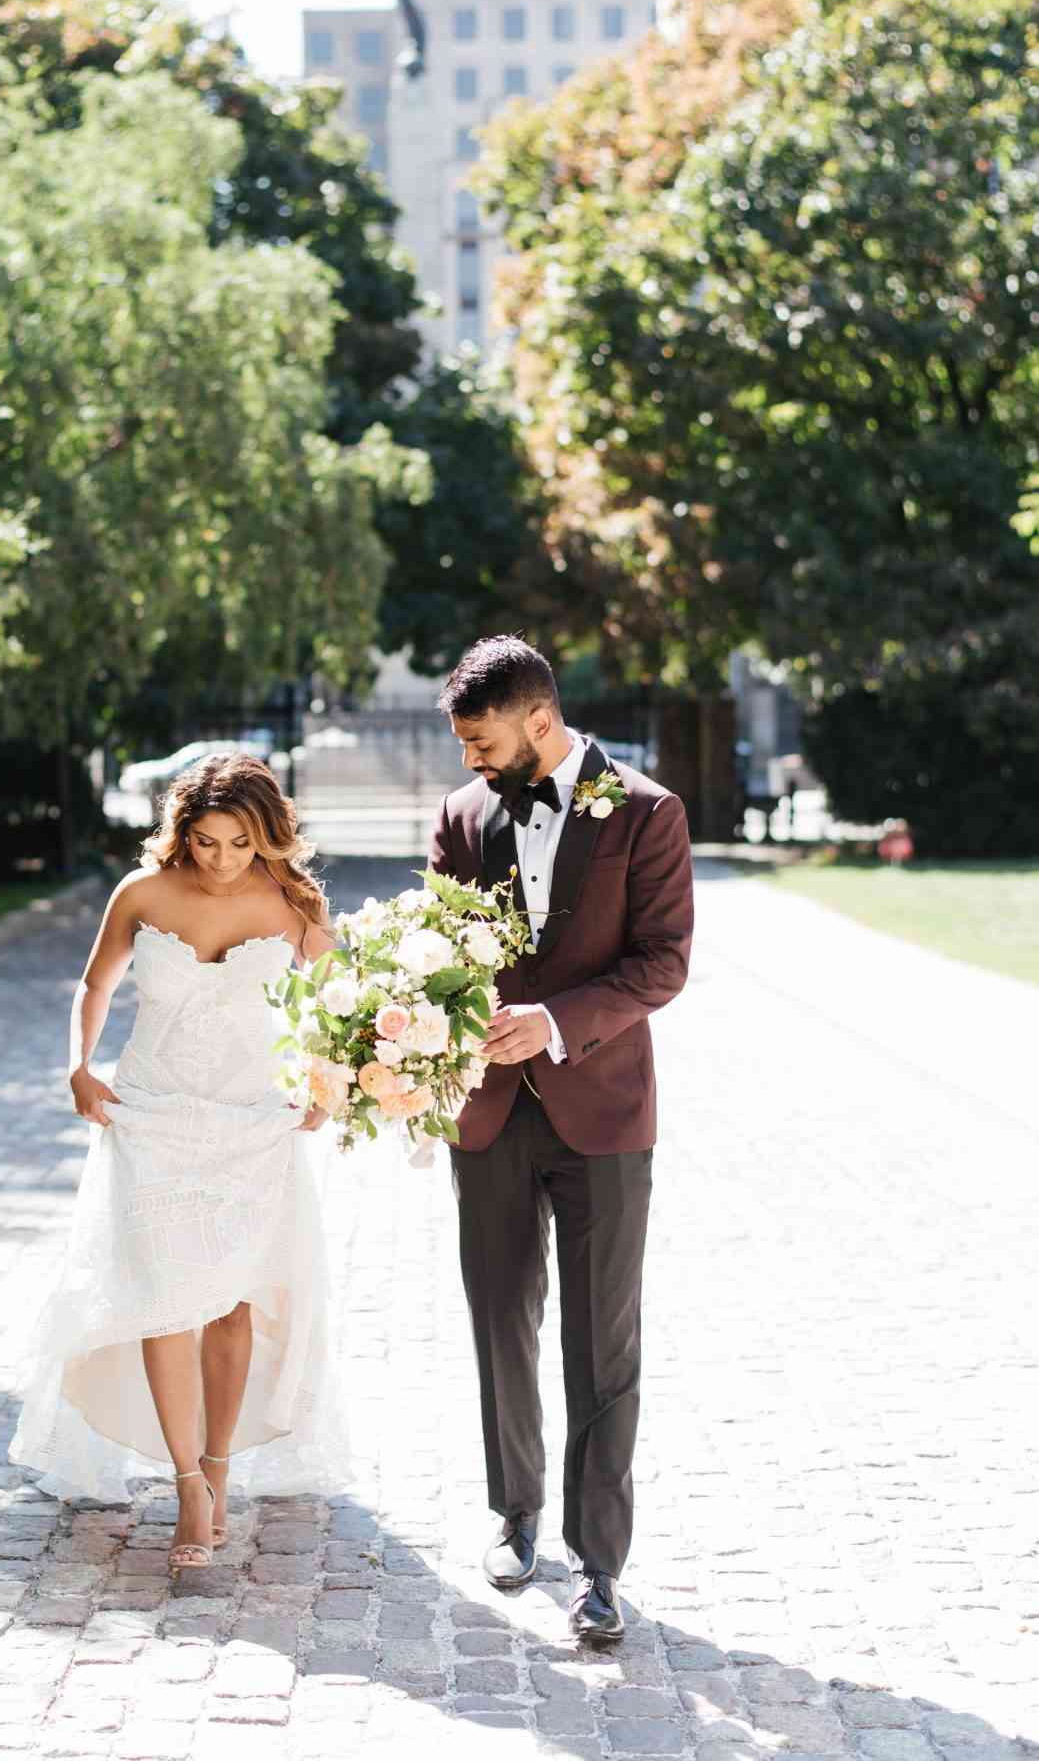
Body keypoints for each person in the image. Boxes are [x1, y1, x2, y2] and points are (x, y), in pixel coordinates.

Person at [8, 752, 350, 1572]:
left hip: (251, 1124)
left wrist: (327, 1080)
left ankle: (220, 1466)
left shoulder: (293, 901)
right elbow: (95, 986)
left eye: (240, 843)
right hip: (151, 1118)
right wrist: (78, 1065)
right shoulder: (142, 894)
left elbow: (339, 1006)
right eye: (205, 842)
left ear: (266, 836)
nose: (222, 860)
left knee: (230, 1306)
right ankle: (187, 1484)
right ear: (181, 832)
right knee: (163, 1305)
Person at [427, 636, 694, 1644]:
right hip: (487, 1111)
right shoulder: (462, 815)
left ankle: (600, 1564)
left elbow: (663, 961)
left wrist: (553, 1021)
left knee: (601, 1341)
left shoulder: (649, 813)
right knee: (500, 1317)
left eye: (482, 741)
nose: (470, 761)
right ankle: (516, 1513)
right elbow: (435, 949)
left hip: (604, 1114)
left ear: (539, 720)